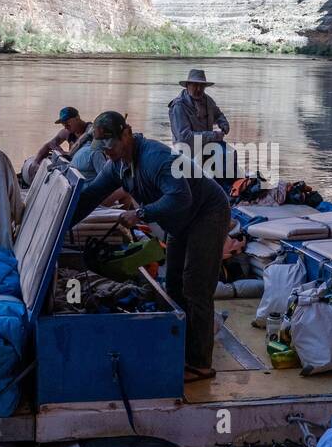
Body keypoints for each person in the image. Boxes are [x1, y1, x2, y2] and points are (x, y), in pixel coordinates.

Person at [70, 111, 231, 382]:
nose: (107, 151)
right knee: (173, 285)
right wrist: (62, 223)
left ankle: (200, 363)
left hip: (206, 213)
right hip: (182, 221)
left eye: (111, 143)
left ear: (127, 133)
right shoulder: (118, 165)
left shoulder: (155, 159)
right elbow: (90, 196)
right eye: (102, 146)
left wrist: (141, 214)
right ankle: (181, 350)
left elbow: (181, 198)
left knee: (196, 286)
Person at [168, 69, 235, 182]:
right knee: (203, 174)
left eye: (201, 86)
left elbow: (218, 114)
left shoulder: (208, 100)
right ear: (187, 85)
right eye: (195, 85)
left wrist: (223, 123)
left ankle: (227, 188)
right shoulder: (178, 106)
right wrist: (213, 135)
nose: (198, 89)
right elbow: (185, 138)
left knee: (230, 153)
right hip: (186, 152)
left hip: (207, 146)